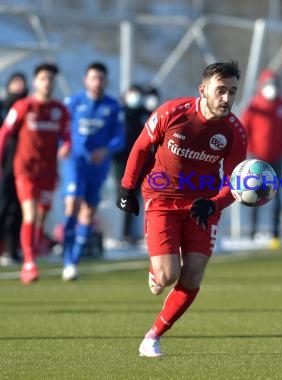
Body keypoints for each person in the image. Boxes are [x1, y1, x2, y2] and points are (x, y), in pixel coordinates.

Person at [116, 61, 247, 357]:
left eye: (233, 92)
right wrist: (126, 188)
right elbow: (140, 148)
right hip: (162, 198)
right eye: (221, 91)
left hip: (202, 205)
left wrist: (215, 203)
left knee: (194, 275)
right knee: (166, 277)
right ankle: (156, 269)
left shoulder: (234, 131)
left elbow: (235, 182)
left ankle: (153, 336)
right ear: (203, 90)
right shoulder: (172, 112)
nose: (226, 99)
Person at [0, 63, 70, 283]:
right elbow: (4, 133)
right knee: (29, 213)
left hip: (49, 172)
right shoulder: (23, 106)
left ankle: (32, 251)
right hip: (25, 170)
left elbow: (68, 134)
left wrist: (67, 145)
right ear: (35, 82)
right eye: (43, 78)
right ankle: (29, 263)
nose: (47, 83)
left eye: (50, 79)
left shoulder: (60, 110)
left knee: (41, 217)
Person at [61, 62, 125, 281]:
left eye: (101, 78)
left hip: (98, 167)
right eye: (93, 77)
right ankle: (66, 257)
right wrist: (64, 144)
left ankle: (73, 264)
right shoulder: (73, 103)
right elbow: (63, 129)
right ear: (85, 80)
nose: (97, 82)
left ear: (106, 81)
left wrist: (106, 149)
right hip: (76, 163)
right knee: (72, 206)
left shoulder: (113, 106)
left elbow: (120, 138)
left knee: (88, 212)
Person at [241, 69, 282, 249]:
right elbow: (244, 128)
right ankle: (252, 232)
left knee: (276, 196)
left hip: (277, 159)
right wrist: (249, 149)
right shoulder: (254, 106)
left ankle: (275, 234)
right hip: (256, 158)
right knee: (252, 194)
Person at [113, 84, 159, 245]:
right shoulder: (120, 113)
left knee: (137, 197)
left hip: (142, 162)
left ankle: (131, 233)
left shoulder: (143, 114)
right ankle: (121, 233)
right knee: (124, 193)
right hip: (122, 161)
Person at [0, 72, 28, 265]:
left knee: (17, 210)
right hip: (4, 165)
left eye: (21, 83)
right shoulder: (3, 107)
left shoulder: (29, 107)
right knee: (3, 207)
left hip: (22, 166)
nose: (18, 86)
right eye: (15, 82)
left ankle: (12, 250)